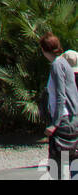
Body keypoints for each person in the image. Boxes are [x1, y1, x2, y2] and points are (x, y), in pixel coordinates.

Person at [41, 31, 78, 180]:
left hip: (63, 121)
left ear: (44, 50)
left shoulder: (56, 65)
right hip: (72, 119)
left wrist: (54, 124)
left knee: (57, 168)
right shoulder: (65, 64)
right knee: (71, 164)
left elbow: (60, 95)